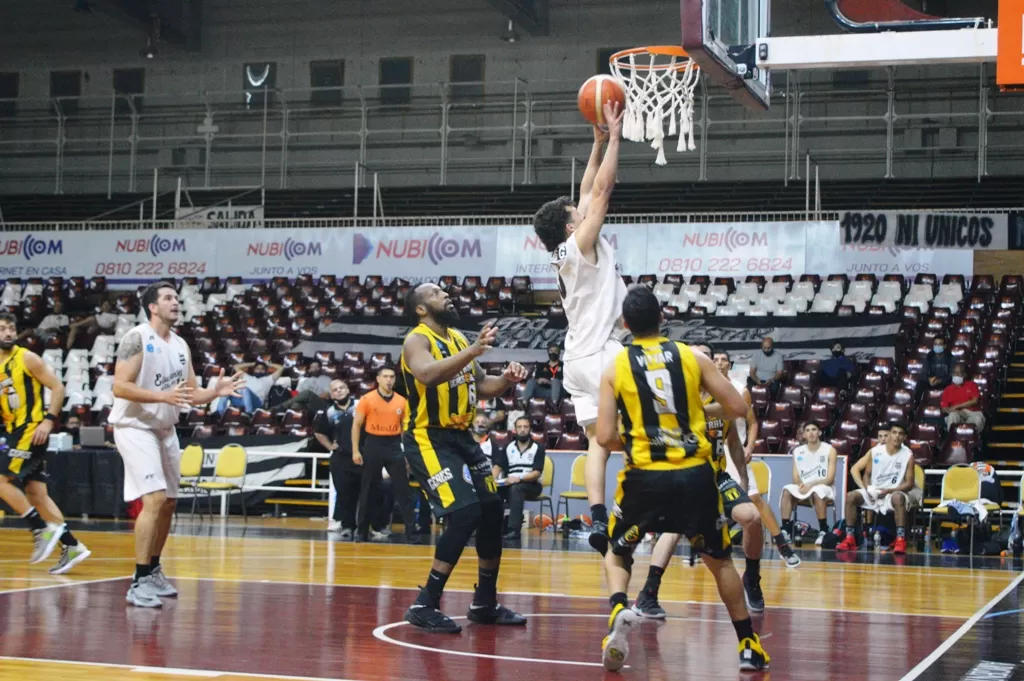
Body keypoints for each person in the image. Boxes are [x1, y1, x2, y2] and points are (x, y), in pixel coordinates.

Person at [595, 286, 769, 672]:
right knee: (720, 562)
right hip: (695, 475)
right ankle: (748, 645)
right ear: (662, 317)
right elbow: (737, 408)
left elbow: (605, 437)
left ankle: (620, 607)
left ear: (625, 325)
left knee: (618, 549)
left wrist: (645, 432)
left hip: (644, 475)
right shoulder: (692, 357)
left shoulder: (615, 368)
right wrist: (691, 412)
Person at [399, 282, 529, 633]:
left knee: (490, 511)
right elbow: (426, 374)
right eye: (437, 294)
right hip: (428, 436)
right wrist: (473, 351)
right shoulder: (418, 339)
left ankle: (484, 602)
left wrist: (506, 379)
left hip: (461, 436)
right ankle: (425, 602)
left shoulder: (456, 337)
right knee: (464, 511)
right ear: (421, 309)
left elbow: (482, 386)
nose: (447, 295)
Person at [111, 281, 244, 608]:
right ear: (153, 307)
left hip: (165, 429)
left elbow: (190, 393)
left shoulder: (181, 345)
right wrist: (160, 396)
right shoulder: (137, 338)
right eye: (168, 298)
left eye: (176, 297)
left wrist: (214, 392)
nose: (176, 302)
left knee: (170, 501)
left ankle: (154, 568)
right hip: (134, 426)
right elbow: (119, 386)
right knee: (154, 499)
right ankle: (139, 579)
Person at [531, 99, 626, 556]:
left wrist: (596, 145)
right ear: (572, 225)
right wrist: (617, 137)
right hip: (605, 354)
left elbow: (587, 190)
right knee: (649, 426)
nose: (582, 206)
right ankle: (650, 502)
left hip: (577, 360)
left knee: (597, 443)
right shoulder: (579, 244)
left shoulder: (561, 251)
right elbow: (602, 192)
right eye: (576, 210)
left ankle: (599, 516)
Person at [635, 344, 775, 621]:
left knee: (752, 518)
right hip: (682, 475)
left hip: (717, 476)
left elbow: (733, 439)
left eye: (704, 357)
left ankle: (753, 577)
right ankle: (647, 594)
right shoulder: (671, 393)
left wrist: (744, 480)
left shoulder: (719, 394)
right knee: (674, 528)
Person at [0, 312, 91, 574]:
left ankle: (39, 527)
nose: (7, 333)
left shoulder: (26, 357)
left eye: (11, 328)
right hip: (14, 430)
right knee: (36, 494)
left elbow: (58, 387)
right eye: (2, 328)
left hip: (32, 429)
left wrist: (49, 420)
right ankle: (71, 545)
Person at [352, 365, 419, 544]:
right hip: (373, 444)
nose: (389, 380)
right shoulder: (367, 399)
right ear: (378, 379)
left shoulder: (401, 401)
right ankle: (362, 532)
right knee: (368, 489)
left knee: (404, 490)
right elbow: (356, 425)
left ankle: (412, 533)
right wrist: (355, 450)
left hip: (394, 444)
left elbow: (406, 429)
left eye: (392, 377)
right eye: (386, 376)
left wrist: (407, 454)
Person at [837, 422, 920, 555]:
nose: (897, 436)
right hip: (875, 491)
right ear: (889, 435)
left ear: (904, 437)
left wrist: (888, 491)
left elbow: (909, 484)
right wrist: (868, 489)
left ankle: (900, 539)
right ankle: (850, 538)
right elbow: (867, 475)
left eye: (900, 434)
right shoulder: (875, 452)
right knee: (851, 496)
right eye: (894, 432)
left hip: (893, 492)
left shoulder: (908, 455)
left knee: (898, 498)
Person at [780, 423, 838, 545]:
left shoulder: (830, 450)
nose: (811, 432)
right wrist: (800, 485)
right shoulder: (798, 451)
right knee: (787, 490)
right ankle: (785, 530)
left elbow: (830, 478)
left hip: (824, 487)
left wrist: (811, 485)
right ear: (804, 434)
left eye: (814, 429)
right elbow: (795, 476)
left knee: (818, 492)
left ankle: (823, 530)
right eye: (808, 430)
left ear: (819, 433)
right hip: (805, 487)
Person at [313, 379, 358, 536]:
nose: (339, 391)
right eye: (335, 390)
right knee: (344, 493)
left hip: (362, 456)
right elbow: (318, 432)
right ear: (331, 395)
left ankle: (366, 526)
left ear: (348, 390)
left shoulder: (360, 405)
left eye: (342, 387)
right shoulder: (329, 412)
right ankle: (348, 526)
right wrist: (329, 445)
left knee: (365, 493)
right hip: (340, 458)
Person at [493, 416, 545, 541]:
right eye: (519, 427)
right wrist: (491, 480)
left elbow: (536, 473)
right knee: (494, 491)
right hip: (510, 483)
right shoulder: (508, 447)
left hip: (531, 484)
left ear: (530, 429)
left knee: (516, 489)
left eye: (525, 427)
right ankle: (494, 529)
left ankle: (513, 531)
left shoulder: (538, 448)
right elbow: (498, 466)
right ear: (515, 430)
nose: (522, 430)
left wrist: (519, 478)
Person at [218, 360, 284, 413]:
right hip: (242, 400)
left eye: (262, 369)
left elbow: (281, 368)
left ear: (266, 371)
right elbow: (236, 367)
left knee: (244, 389)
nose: (260, 370)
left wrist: (268, 364)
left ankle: (249, 413)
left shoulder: (269, 379)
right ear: (253, 370)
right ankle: (219, 413)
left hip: (257, 403)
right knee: (226, 388)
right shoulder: (247, 377)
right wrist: (253, 363)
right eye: (257, 368)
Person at [941, 363, 985, 431]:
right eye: (955, 373)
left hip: (971, 413)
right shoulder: (947, 390)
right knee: (952, 415)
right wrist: (955, 410)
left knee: (978, 420)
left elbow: (974, 401)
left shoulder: (972, 385)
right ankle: (953, 439)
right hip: (956, 413)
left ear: (964, 375)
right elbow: (944, 409)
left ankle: (974, 440)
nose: (957, 375)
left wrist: (957, 406)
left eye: (959, 373)